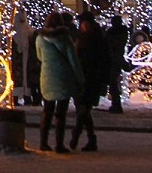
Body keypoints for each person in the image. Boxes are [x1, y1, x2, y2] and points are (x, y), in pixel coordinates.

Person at [34, 12, 82, 153]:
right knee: (61, 113)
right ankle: (59, 145)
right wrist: (80, 78)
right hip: (63, 77)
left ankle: (43, 142)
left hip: (47, 77)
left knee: (47, 110)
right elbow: (73, 60)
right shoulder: (65, 38)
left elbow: (39, 56)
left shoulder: (40, 38)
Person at [70, 11, 109, 151]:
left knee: (84, 109)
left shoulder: (93, 39)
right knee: (84, 110)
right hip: (85, 77)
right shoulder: (91, 37)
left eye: (83, 23)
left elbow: (103, 59)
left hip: (91, 78)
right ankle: (91, 138)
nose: (82, 26)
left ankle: (77, 134)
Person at [104, 14, 129, 112]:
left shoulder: (112, 32)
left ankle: (116, 104)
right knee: (114, 82)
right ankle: (116, 103)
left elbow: (109, 44)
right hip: (118, 58)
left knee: (113, 82)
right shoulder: (123, 31)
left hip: (112, 59)